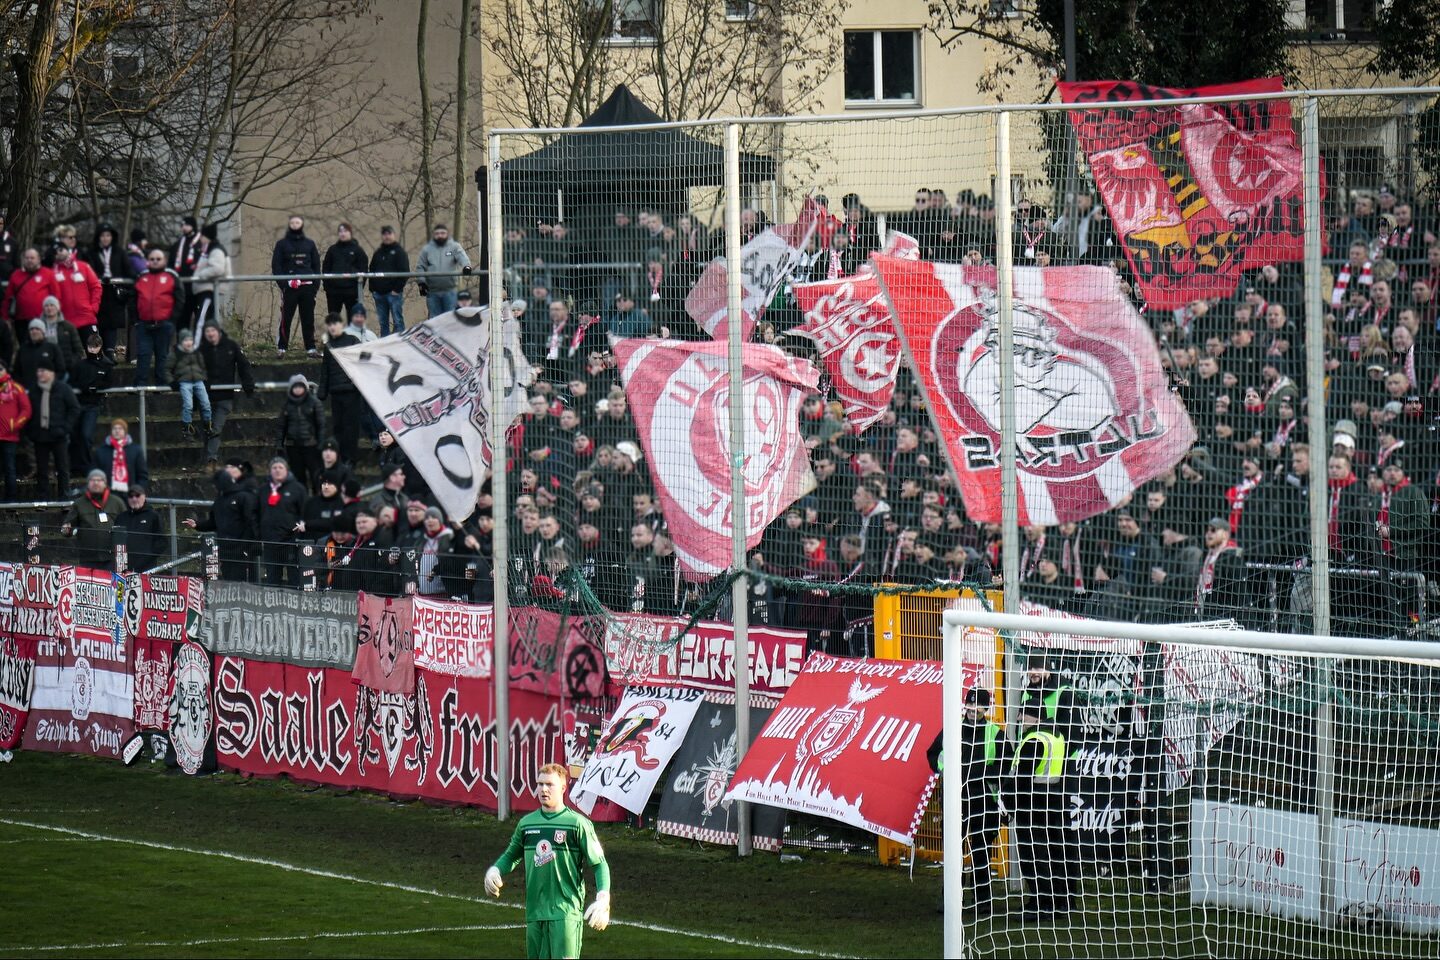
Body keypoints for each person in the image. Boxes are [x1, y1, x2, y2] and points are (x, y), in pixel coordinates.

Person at [485, 763, 611, 960]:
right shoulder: (526, 824)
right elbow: (511, 855)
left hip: (565, 914)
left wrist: (603, 898)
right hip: (535, 913)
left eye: (549, 784)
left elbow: (599, 863)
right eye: (540, 784)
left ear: (563, 788)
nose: (543, 789)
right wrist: (495, 870)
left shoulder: (577, 824)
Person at [1008, 692, 1077, 923]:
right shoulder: (1056, 736)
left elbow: (1021, 779)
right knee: (1055, 854)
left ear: (1036, 718)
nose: (1020, 718)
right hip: (1054, 802)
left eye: (1024, 714)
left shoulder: (1034, 740)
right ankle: (1061, 902)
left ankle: (1041, 903)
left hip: (1032, 805)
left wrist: (1008, 804)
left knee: (1033, 856)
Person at [184, 462, 259, 581]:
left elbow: (251, 523)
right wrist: (197, 524)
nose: (214, 487)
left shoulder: (243, 497)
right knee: (229, 579)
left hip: (242, 549)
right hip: (225, 548)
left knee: (244, 581)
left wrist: (246, 546)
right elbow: (214, 523)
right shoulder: (219, 501)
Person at [199, 320, 255, 472]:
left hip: (224, 397)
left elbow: (243, 365)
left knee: (215, 428)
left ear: (218, 331)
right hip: (206, 396)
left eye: (212, 330)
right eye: (207, 331)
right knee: (207, 429)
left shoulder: (231, 346)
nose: (210, 334)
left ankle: (211, 460)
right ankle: (208, 458)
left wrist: (248, 383)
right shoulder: (202, 349)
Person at [26, 360, 78, 498]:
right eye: (39, 371)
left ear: (52, 373)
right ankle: (42, 497)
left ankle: (64, 496)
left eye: (43, 371)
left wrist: (65, 428)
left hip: (58, 435)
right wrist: (31, 431)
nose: (40, 373)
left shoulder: (63, 389)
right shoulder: (34, 390)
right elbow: (28, 411)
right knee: (42, 469)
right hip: (40, 436)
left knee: (62, 468)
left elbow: (74, 408)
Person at [133, 247, 184, 387]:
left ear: (164, 261)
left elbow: (180, 298)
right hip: (144, 324)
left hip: (164, 324)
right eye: (152, 259)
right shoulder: (141, 276)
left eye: (158, 259)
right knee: (143, 355)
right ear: (147, 261)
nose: (155, 261)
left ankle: (161, 386)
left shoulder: (171, 276)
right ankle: (140, 387)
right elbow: (133, 299)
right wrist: (136, 320)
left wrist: (172, 320)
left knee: (162, 356)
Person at [272, 215, 321, 357]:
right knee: (286, 319)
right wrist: (284, 284)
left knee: (308, 319)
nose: (295, 225)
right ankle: (282, 348)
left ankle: (310, 348)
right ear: (289, 224)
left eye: (297, 222)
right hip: (289, 288)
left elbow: (316, 266)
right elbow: (276, 266)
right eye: (292, 222)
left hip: (307, 288)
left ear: (302, 224)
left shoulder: (310, 244)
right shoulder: (281, 244)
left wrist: (315, 287)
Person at [318, 313, 363, 464]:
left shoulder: (352, 340)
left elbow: (361, 363)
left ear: (341, 325)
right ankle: (340, 458)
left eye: (335, 324)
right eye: (330, 324)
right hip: (335, 392)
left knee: (351, 427)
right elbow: (325, 370)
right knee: (338, 426)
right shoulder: (329, 346)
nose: (332, 327)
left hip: (351, 392)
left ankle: (350, 459)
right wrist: (322, 391)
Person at [86, 223, 133, 359]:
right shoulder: (91, 253)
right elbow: (89, 271)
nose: (105, 238)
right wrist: (100, 278)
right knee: (97, 325)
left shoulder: (120, 252)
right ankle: (98, 356)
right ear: (98, 237)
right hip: (97, 294)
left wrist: (133, 281)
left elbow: (128, 270)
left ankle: (110, 354)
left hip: (114, 295)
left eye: (108, 235)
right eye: (102, 236)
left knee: (112, 326)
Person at [258, 456, 307, 586]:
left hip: (291, 542)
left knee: (294, 577)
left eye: (280, 467)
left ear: (286, 470)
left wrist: (301, 528)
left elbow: (305, 512)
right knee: (272, 578)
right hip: (270, 542)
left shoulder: (297, 489)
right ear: (270, 471)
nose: (277, 470)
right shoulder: (263, 490)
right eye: (274, 468)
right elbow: (257, 512)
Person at [68, 334, 113, 474]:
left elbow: (108, 382)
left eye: (95, 347)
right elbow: (72, 381)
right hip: (78, 404)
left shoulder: (107, 364)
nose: (92, 349)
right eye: (90, 347)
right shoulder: (80, 365)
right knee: (74, 435)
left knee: (86, 436)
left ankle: (86, 466)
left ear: (100, 347)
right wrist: (85, 387)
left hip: (93, 405)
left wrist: (96, 387)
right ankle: (76, 466)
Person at [275, 373, 326, 491]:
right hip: (293, 447)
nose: (298, 389)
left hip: (311, 446)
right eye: (295, 387)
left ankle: (317, 497)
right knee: (298, 477)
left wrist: (320, 443)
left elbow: (321, 425)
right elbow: (281, 426)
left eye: (300, 386)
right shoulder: (287, 405)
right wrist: (279, 444)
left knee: (316, 475)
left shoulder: (314, 403)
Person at [61, 469, 116, 567]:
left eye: (99, 480)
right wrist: (66, 530)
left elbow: (126, 525)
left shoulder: (117, 502)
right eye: (92, 480)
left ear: (105, 483)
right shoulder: (79, 504)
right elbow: (67, 527)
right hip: (87, 558)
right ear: (88, 483)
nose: (96, 483)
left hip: (112, 558)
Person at [416, 223, 471, 318]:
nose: (440, 235)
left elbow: (463, 258)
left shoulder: (454, 247)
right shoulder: (427, 249)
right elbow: (420, 266)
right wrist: (421, 282)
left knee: (450, 318)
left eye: (442, 233)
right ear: (434, 235)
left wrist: (466, 267)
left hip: (450, 291)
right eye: (437, 233)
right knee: (434, 319)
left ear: (447, 234)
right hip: (432, 292)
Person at [167, 328, 213, 441]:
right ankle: (187, 428)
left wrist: (205, 378)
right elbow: (166, 369)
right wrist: (172, 381)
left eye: (190, 340)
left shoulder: (197, 353)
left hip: (198, 381)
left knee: (206, 404)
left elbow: (203, 367)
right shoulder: (175, 354)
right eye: (186, 340)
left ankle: (208, 426)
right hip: (184, 382)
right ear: (181, 342)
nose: (188, 343)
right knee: (188, 405)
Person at [51, 245, 101, 341]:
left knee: (93, 349)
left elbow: (96, 287)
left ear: (67, 250)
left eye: (61, 249)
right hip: (65, 321)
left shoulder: (83, 266)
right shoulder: (52, 273)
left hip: (87, 318)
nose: (59, 253)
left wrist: (94, 307)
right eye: (55, 252)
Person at [2, 248, 61, 328]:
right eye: (27, 258)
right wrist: (5, 318)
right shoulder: (16, 275)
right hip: (21, 320)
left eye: (32, 258)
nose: (29, 260)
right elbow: (7, 298)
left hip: (43, 318)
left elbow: (56, 296)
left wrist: (56, 315)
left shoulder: (48, 273)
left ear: (38, 259)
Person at [190, 223, 231, 336]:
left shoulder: (216, 250)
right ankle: (209, 342)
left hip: (209, 289)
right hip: (207, 289)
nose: (200, 238)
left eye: (202, 235)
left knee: (201, 320)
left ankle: (197, 343)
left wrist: (200, 275)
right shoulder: (209, 249)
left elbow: (217, 268)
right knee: (209, 320)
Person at [368, 225, 409, 335]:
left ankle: (400, 343)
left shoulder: (399, 252)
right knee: (383, 323)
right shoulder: (378, 253)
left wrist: (397, 289)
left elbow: (405, 272)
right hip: (379, 294)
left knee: (398, 321)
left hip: (394, 294)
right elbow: (371, 269)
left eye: (389, 234)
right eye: (384, 234)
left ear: (394, 235)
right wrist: (372, 289)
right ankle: (384, 343)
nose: (387, 236)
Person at [92, 418, 149, 496]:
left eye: (120, 428)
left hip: (130, 495)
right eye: (114, 428)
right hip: (107, 495)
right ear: (111, 431)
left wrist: (137, 492)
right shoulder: (101, 451)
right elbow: (95, 473)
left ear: (125, 431)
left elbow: (142, 475)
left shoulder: (135, 450)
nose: (117, 431)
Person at [114, 484, 163, 573]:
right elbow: (116, 541)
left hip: (147, 568)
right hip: (124, 568)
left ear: (144, 497)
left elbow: (161, 542)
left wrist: (148, 557)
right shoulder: (121, 517)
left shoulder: (153, 516)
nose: (134, 499)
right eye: (131, 496)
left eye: (137, 495)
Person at [0, 362, 31, 500]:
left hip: (9, 436)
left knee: (9, 468)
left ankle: (11, 499)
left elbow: (26, 410)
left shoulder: (16, 388)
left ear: (6, 370)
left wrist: (14, 425)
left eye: (0, 369)